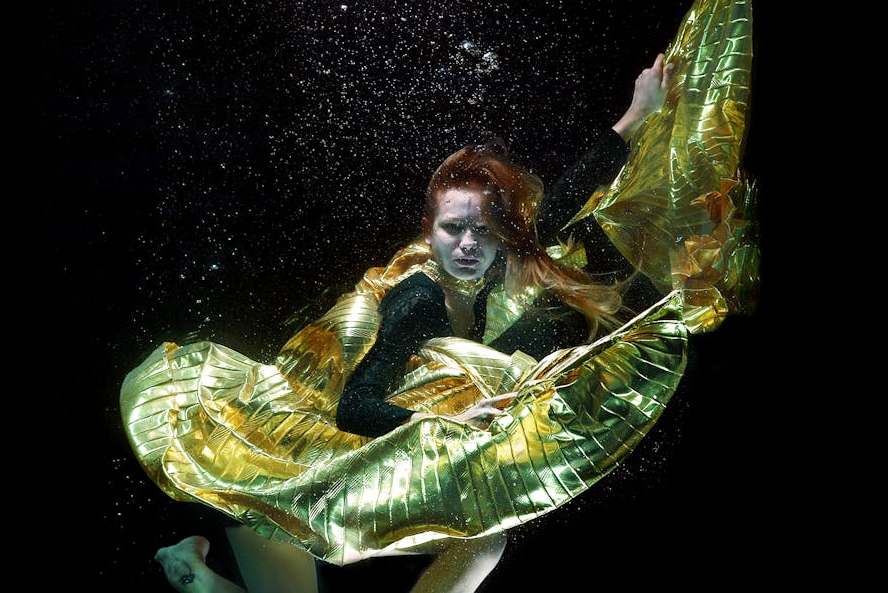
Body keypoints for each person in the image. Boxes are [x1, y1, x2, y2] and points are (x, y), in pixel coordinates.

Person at [149, 53, 676, 593]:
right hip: (310, 478)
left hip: (391, 459)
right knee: (479, 538)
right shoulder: (418, 299)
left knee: (483, 537)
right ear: (430, 232)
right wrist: (447, 424)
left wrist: (636, 117)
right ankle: (192, 572)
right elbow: (355, 405)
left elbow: (560, 201)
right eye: (453, 230)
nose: (469, 244)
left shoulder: (487, 268)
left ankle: (189, 570)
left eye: (483, 230)